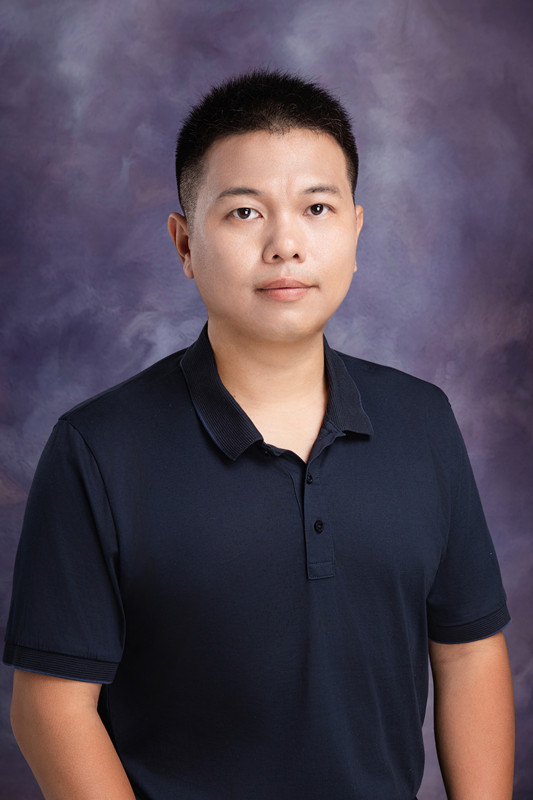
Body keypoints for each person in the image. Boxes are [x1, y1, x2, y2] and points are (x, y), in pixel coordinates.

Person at [4, 70, 514, 800]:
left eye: (316, 208)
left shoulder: (422, 419)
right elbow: (52, 707)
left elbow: (467, 653)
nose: (285, 244)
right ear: (184, 243)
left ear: (355, 232)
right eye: (244, 212)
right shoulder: (97, 449)